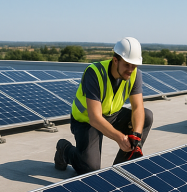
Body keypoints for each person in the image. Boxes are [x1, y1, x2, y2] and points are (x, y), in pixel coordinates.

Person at [54, 37, 153, 175]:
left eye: (134, 65)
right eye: (127, 65)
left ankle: (119, 171)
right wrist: (120, 138)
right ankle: (64, 150)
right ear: (115, 60)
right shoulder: (94, 73)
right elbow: (95, 118)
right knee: (90, 169)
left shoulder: (135, 74)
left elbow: (138, 108)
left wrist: (136, 135)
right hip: (86, 120)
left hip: (111, 116)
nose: (131, 70)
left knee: (146, 117)